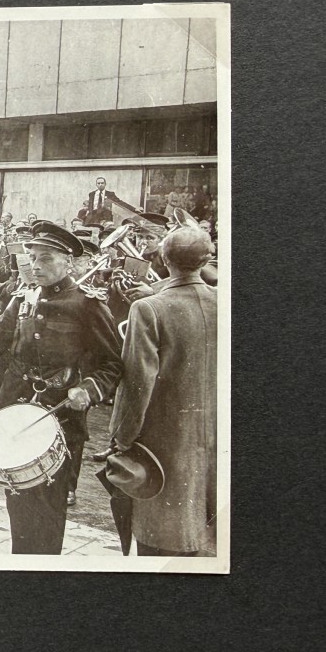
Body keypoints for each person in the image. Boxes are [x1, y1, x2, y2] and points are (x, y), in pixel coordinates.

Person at [0, 221, 122, 554]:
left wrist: (88, 389)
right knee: (17, 500)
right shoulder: (24, 297)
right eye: (32, 257)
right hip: (14, 415)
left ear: (69, 262)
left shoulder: (88, 304)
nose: (35, 265)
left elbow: (113, 363)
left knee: (47, 508)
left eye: (46, 258)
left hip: (60, 419)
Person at [108, 227, 217, 557]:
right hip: (214, 440)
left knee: (159, 543)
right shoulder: (225, 302)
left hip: (162, 446)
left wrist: (121, 438)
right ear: (207, 260)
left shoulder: (148, 309)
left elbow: (137, 384)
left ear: (163, 259)